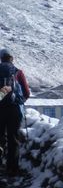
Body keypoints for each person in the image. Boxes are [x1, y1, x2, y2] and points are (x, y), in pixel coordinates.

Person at [0, 48, 31, 176]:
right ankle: (12, 169)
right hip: (15, 110)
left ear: (1, 59)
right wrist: (19, 101)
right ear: (12, 58)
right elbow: (27, 93)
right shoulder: (18, 72)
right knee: (13, 139)